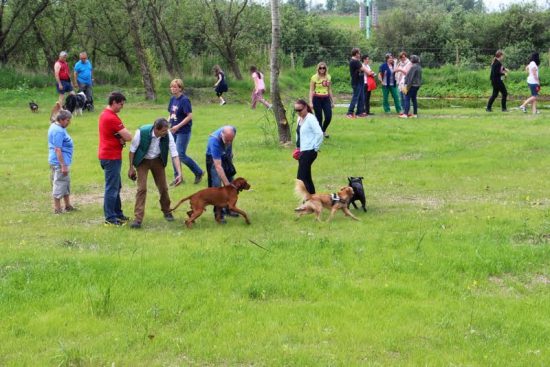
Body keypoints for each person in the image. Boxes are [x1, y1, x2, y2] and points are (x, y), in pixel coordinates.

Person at [128, 118, 183, 229]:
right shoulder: (141, 132)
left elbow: (174, 153)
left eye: (166, 130)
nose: (165, 133)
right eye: (163, 131)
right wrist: (131, 168)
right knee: (142, 189)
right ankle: (138, 219)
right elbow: (132, 150)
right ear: (156, 129)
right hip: (142, 161)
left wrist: (179, 173)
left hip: (158, 160)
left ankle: (167, 211)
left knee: (163, 188)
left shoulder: (167, 134)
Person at [98, 92, 133, 226]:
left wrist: (120, 137)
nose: (122, 107)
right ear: (114, 102)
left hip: (107, 155)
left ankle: (118, 214)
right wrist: (123, 136)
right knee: (112, 188)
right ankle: (110, 218)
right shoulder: (111, 117)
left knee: (116, 186)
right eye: (121, 104)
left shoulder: (104, 114)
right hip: (111, 156)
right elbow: (128, 137)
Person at [168, 79, 204, 184]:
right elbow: (171, 114)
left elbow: (190, 116)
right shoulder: (172, 99)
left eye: (175, 87)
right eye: (172, 87)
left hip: (183, 131)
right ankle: (178, 178)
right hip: (173, 130)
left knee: (181, 154)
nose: (173, 89)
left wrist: (178, 126)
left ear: (180, 88)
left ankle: (198, 172)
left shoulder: (184, 100)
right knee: (174, 154)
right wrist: (166, 124)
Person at [205, 125, 237, 223]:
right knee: (217, 187)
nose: (229, 143)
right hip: (213, 160)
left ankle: (230, 209)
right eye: (226, 140)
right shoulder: (214, 141)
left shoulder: (232, 130)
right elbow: (218, 167)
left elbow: (229, 142)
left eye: (231, 140)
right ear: (222, 135)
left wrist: (229, 153)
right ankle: (219, 214)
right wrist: (227, 185)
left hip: (225, 156)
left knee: (232, 182)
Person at [48, 110, 75, 214]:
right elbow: (58, 149)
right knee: (59, 184)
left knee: (65, 183)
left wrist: (59, 107)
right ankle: (57, 208)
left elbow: (55, 113)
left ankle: (68, 205)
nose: (69, 122)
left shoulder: (56, 125)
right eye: (68, 120)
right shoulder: (58, 131)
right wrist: (63, 165)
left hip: (60, 161)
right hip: (59, 162)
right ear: (62, 120)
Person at [295, 99, 323, 195]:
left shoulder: (311, 118)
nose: (298, 112)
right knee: (306, 177)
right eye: (296, 110)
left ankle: (307, 200)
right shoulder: (299, 119)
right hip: (302, 151)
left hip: (309, 151)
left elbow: (319, 133)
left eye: (300, 110)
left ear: (306, 107)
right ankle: (314, 199)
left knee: (301, 178)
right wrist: (297, 148)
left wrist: (315, 147)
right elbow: (298, 134)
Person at [309, 62, 334, 138]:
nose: (322, 69)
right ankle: (320, 133)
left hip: (326, 98)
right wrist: (310, 102)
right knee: (319, 117)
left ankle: (323, 130)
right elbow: (311, 90)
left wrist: (332, 101)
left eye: (323, 68)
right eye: (320, 68)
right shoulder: (314, 77)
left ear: (326, 69)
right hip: (317, 99)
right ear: (318, 69)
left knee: (328, 116)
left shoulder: (328, 77)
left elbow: (329, 89)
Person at [346, 48, 369, 119]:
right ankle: (349, 112)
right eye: (359, 53)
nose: (360, 55)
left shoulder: (356, 61)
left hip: (360, 81)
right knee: (355, 97)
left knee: (361, 97)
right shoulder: (355, 61)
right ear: (356, 54)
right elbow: (363, 69)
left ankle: (359, 112)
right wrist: (369, 72)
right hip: (356, 82)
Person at [394, 51, 412, 117]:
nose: (402, 58)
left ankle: (407, 111)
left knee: (405, 97)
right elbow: (395, 70)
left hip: (406, 83)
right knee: (401, 97)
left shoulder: (409, 63)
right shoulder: (399, 63)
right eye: (401, 57)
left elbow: (407, 72)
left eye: (403, 57)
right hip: (400, 82)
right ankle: (403, 110)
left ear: (406, 56)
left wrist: (400, 70)